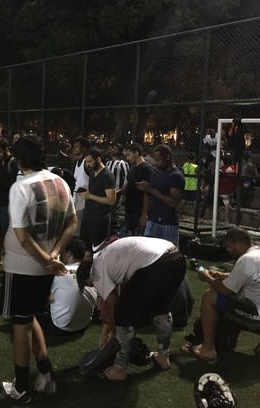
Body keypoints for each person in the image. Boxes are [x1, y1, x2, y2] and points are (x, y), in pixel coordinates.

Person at [0, 135, 77, 403]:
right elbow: (72, 223)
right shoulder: (61, 182)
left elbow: (22, 236)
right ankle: (45, 372)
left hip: (23, 266)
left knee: (20, 322)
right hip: (46, 267)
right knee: (30, 317)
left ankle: (21, 386)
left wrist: (47, 258)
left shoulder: (20, 188)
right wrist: (53, 255)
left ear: (20, 160)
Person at [76, 236, 186, 380]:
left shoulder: (95, 273)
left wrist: (114, 336)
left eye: (91, 286)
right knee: (160, 308)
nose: (96, 289)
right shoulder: (104, 256)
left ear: (87, 279)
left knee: (123, 312)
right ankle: (163, 356)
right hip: (176, 258)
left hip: (155, 263)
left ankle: (119, 369)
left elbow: (113, 303)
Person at [184, 228, 260, 362]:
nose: (228, 250)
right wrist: (221, 275)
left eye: (229, 246)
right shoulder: (259, 251)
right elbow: (249, 276)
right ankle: (217, 341)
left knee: (210, 297)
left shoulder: (248, 259)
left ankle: (208, 349)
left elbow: (225, 290)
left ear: (237, 244)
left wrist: (206, 277)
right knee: (225, 297)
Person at [137, 144, 193, 329]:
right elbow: (148, 193)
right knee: (148, 259)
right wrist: (145, 214)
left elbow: (172, 202)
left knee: (170, 260)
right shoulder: (156, 172)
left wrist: (152, 191)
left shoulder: (176, 176)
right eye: (155, 159)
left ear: (168, 157)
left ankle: (176, 298)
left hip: (167, 223)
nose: (156, 162)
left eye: (159, 159)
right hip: (153, 220)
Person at [48, 238, 97, 334]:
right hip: (83, 325)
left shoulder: (61, 271)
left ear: (69, 253)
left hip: (61, 326)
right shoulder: (90, 272)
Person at [80, 147, 116, 250]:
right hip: (88, 217)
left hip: (99, 220)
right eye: (86, 162)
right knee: (85, 248)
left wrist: (90, 196)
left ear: (98, 159)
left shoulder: (107, 175)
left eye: (90, 161)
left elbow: (111, 200)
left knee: (98, 251)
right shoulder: (92, 173)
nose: (88, 164)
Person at [0, 137, 19, 264]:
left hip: (6, 203)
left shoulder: (13, 163)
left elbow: (13, 184)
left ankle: (7, 256)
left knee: (6, 231)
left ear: (6, 149)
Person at [121, 144, 155, 235]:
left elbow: (147, 193)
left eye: (129, 155)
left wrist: (144, 213)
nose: (127, 158)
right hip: (130, 209)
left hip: (139, 210)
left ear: (136, 153)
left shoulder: (146, 169)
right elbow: (129, 185)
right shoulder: (132, 168)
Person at [71, 137, 91, 229]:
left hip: (84, 204)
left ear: (84, 148)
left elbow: (95, 181)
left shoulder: (86, 164)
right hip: (76, 201)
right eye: (74, 146)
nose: (74, 148)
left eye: (77, 146)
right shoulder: (77, 162)